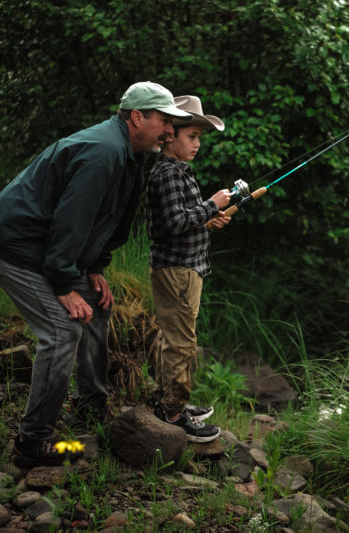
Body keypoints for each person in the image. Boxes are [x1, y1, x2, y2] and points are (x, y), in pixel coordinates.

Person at [0, 81, 191, 468]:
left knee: (97, 305)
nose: (170, 131)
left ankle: (90, 408)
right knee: (61, 330)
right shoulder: (103, 153)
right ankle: (31, 442)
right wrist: (64, 284)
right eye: (165, 121)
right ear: (137, 117)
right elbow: (70, 224)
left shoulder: (132, 155)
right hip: (9, 245)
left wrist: (93, 270)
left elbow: (105, 222)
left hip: (43, 247)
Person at [147, 95, 232, 443]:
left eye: (199, 138)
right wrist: (211, 204)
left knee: (176, 339)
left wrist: (208, 220)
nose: (197, 144)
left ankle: (171, 403)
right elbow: (173, 221)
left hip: (185, 268)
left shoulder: (177, 171)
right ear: (170, 136)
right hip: (178, 271)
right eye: (191, 136)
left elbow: (183, 221)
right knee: (182, 343)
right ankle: (173, 413)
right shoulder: (167, 173)